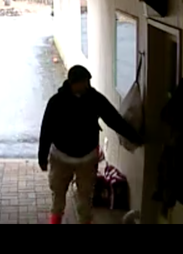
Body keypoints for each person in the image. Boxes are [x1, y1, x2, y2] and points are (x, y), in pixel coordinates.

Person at [39, 65, 142, 225]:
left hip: (87, 159)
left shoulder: (95, 99)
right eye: (84, 82)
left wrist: (134, 136)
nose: (87, 86)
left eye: (88, 82)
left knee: (85, 202)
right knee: (58, 199)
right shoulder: (56, 102)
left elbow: (113, 119)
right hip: (60, 157)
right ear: (73, 83)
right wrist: (42, 157)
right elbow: (46, 130)